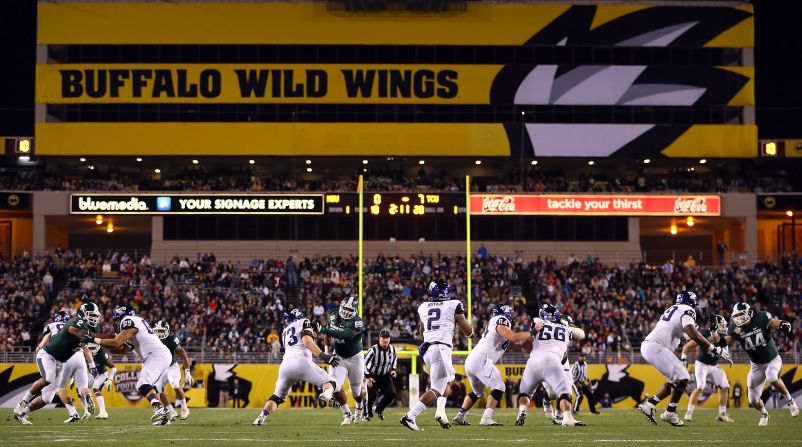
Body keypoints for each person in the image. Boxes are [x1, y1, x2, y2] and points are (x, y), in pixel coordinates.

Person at [637, 291, 731, 427]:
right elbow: (694, 336)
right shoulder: (687, 310)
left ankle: (651, 404)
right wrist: (714, 349)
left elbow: (681, 335)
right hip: (656, 347)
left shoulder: (673, 309)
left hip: (651, 346)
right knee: (683, 377)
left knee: (676, 381)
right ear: (691, 302)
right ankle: (670, 413)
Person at [400, 279, 473, 431]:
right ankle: (410, 416)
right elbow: (467, 330)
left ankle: (440, 413)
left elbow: (421, 331)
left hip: (427, 349)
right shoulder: (454, 304)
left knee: (445, 382)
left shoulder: (423, 306)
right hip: (441, 349)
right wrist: (471, 331)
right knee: (437, 389)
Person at [13, 304, 104, 425]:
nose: (95, 318)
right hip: (48, 355)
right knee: (49, 378)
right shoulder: (74, 323)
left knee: (47, 398)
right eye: (92, 315)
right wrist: (92, 365)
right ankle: (22, 402)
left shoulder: (86, 329)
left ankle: (21, 413)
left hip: (61, 362)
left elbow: (86, 345)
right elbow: (71, 330)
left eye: (95, 316)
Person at [253, 309, 339, 426]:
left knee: (277, 396)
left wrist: (313, 328)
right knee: (329, 382)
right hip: (302, 361)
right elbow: (307, 342)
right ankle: (328, 395)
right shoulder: (304, 322)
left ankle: (260, 418)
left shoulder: (284, 332)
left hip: (285, 366)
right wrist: (324, 356)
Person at [90, 306, 174, 426]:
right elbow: (121, 348)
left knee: (142, 384)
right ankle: (163, 418)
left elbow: (115, 343)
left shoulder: (128, 320)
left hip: (155, 355)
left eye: (117, 319)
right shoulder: (136, 324)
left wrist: (94, 339)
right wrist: (105, 344)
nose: (117, 323)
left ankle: (159, 409)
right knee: (151, 386)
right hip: (157, 355)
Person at [453, 304, 531, 426]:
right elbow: (514, 337)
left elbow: (514, 345)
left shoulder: (497, 325)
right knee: (499, 386)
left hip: (473, 360)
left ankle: (460, 417)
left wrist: (527, 348)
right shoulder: (501, 320)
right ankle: (486, 418)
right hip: (482, 360)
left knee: (478, 393)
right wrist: (532, 332)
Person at [724, 302, 799, 426]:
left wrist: (781, 324)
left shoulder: (761, 317)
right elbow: (728, 340)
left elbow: (773, 322)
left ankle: (790, 401)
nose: (739, 318)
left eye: (741, 315)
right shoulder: (735, 328)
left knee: (771, 376)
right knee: (752, 400)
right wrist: (716, 341)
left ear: (749, 313)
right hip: (756, 366)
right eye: (736, 316)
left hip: (772, 360)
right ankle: (764, 414)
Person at [516, 304, 585, 427]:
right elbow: (581, 335)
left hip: (540, 360)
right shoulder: (563, 326)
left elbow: (528, 338)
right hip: (553, 360)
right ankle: (565, 416)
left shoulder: (538, 321)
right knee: (564, 391)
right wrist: (568, 326)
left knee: (526, 392)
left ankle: (523, 413)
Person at [313, 296, 366, 425]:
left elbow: (345, 335)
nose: (347, 311)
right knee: (335, 386)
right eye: (345, 308)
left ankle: (359, 407)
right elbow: (328, 334)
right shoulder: (333, 315)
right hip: (339, 357)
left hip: (355, 358)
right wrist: (326, 352)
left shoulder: (357, 322)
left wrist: (322, 329)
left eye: (350, 309)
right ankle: (347, 415)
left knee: (356, 391)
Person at [681, 314, 733, 423]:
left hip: (714, 366)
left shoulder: (724, 336)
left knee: (725, 386)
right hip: (702, 364)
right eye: (722, 325)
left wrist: (728, 358)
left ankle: (722, 414)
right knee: (700, 386)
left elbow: (725, 350)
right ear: (716, 325)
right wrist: (684, 359)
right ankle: (689, 412)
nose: (724, 327)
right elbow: (687, 346)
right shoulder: (705, 333)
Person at [154, 320, 192, 421]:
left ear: (167, 331)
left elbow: (183, 354)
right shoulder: (152, 340)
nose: (159, 333)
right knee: (158, 390)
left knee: (175, 384)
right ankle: (172, 412)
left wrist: (187, 371)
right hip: (160, 368)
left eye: (161, 331)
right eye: (157, 331)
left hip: (171, 366)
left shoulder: (171, 340)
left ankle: (185, 408)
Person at [364, 329, 398, 421]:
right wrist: (367, 377)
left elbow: (394, 359)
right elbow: (364, 363)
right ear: (379, 339)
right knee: (372, 396)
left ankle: (379, 409)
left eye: (387, 338)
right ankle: (367, 414)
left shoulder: (392, 349)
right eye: (383, 338)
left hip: (384, 375)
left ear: (389, 339)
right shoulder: (373, 350)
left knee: (392, 394)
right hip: (373, 375)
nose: (385, 340)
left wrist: (393, 369)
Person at [86, 342, 116, 419]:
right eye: (90, 348)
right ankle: (87, 410)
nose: (91, 350)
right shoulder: (84, 353)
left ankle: (103, 412)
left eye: (93, 348)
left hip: (102, 375)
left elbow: (113, 367)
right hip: (92, 375)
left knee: (95, 387)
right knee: (80, 388)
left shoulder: (102, 354)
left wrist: (110, 379)